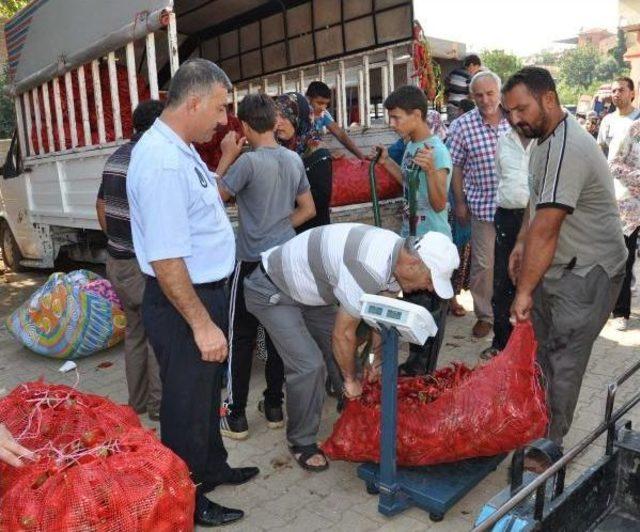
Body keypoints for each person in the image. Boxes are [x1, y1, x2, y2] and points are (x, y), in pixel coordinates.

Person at [127, 59, 258, 527]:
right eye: (221, 109)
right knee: (184, 404)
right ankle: (187, 498)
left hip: (206, 295)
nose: (224, 120)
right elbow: (166, 259)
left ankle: (212, 467)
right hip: (187, 302)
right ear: (196, 101)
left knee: (206, 395)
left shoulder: (179, 149)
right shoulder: (161, 162)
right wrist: (201, 324)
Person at [243, 223, 459, 472]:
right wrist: (350, 380)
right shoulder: (368, 267)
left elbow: (381, 315)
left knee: (352, 362)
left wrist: (375, 360)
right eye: (431, 280)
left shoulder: (397, 256)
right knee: (310, 366)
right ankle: (301, 442)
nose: (430, 288)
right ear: (412, 264)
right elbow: (343, 334)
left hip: (311, 292)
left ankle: (350, 414)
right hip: (272, 289)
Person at [504, 67, 627, 455]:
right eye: (510, 112)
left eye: (521, 109)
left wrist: (523, 291)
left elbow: (549, 226)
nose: (515, 119)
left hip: (590, 271)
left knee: (563, 360)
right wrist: (521, 243)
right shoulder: (542, 142)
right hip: (558, 264)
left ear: (550, 100)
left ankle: (548, 447)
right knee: (542, 352)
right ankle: (537, 423)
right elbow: (536, 204)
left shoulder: (567, 147)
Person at [212, 94, 316, 440]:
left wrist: (226, 157)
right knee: (278, 334)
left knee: (239, 336)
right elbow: (308, 209)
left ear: (243, 125)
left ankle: (236, 415)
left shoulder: (247, 163)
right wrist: (280, 229)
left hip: (251, 261)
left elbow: (213, 200)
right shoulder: (293, 160)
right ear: (274, 123)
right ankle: (274, 406)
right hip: (283, 261)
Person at [373, 85, 452, 375]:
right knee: (415, 308)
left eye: (396, 118)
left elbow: (440, 202)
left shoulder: (436, 152)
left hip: (432, 245)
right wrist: (386, 162)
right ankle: (415, 365)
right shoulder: (410, 147)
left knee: (429, 312)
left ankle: (424, 371)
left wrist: (431, 171)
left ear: (416, 115)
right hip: (412, 240)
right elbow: (408, 182)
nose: (392, 124)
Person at [96, 100, 164, 421]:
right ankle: (158, 406)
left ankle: (136, 403)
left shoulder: (115, 158)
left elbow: (101, 205)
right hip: (141, 266)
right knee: (157, 335)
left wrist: (118, 238)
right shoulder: (149, 159)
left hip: (116, 260)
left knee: (135, 333)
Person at [447, 71, 510, 338]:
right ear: (472, 97)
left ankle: (513, 314)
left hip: (517, 207)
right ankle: (485, 315)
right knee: (483, 265)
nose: (485, 100)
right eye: (479, 95)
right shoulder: (462, 126)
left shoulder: (515, 118)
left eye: (490, 93)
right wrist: (459, 202)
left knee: (513, 261)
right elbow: (456, 166)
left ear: (500, 92)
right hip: (482, 207)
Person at [480, 117, 533, 359]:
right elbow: (502, 175)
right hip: (507, 216)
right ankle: (501, 343)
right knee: (503, 280)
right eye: (510, 111)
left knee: (534, 280)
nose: (515, 116)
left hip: (539, 218)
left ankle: (531, 348)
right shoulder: (504, 141)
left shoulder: (545, 141)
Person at [275, 92, 332, 232]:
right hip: (286, 236)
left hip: (311, 235)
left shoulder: (318, 153)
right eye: (275, 116)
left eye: (284, 116)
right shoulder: (276, 150)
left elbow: (320, 199)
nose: (277, 122)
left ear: (299, 117)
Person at [609, 119, 640, 330]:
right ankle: (621, 311)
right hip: (630, 206)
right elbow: (613, 163)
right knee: (625, 260)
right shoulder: (633, 129)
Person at [306, 81, 366, 159]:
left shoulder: (323, 113)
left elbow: (340, 134)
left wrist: (361, 156)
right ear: (308, 99)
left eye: (326, 104)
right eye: (319, 103)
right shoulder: (299, 112)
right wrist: (326, 153)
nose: (323, 108)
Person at [597, 77, 640, 161]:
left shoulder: (638, 119)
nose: (616, 94)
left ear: (632, 94)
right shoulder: (607, 120)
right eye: (614, 91)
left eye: (621, 90)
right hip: (611, 173)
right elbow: (600, 148)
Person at [445, 54, 483, 123]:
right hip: (462, 109)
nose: (476, 71)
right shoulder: (469, 76)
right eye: (477, 67)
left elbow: (446, 83)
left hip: (450, 106)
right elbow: (471, 95)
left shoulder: (454, 72)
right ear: (471, 65)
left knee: (452, 128)